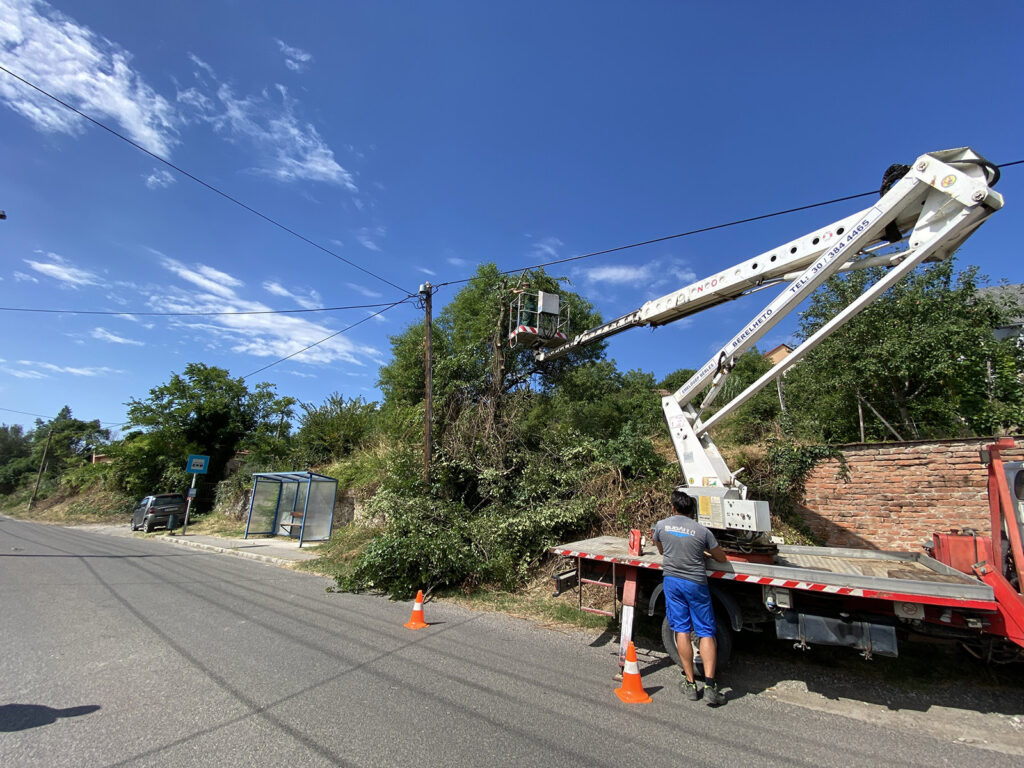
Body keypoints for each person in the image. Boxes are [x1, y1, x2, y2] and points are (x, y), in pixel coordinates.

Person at [653, 488, 729, 706]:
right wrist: (702, 552)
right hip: (696, 584)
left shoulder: (661, 526)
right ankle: (710, 685)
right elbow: (721, 558)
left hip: (672, 582)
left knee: (682, 630)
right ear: (693, 510)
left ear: (673, 508)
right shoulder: (702, 531)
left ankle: (690, 683)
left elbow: (661, 550)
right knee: (706, 632)